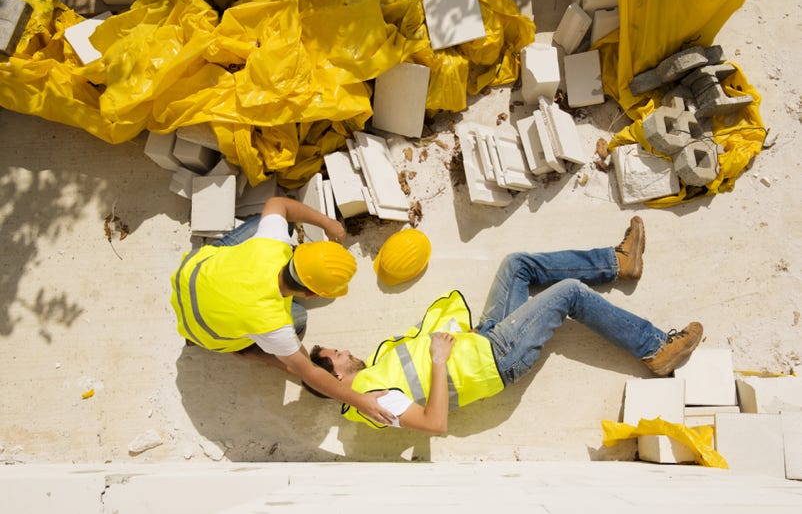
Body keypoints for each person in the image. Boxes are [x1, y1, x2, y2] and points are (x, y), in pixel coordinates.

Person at [308, 217, 703, 433]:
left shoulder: (372, 375)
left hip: (482, 339)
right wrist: (441, 359)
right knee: (569, 293)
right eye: (335, 356)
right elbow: (435, 424)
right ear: (335, 380)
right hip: (499, 357)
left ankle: (619, 263)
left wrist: (458, 339)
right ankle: (655, 348)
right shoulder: (373, 399)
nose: (344, 351)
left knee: (517, 265)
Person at [170, 195, 394, 425]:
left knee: (278, 220)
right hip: (202, 332)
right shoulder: (273, 324)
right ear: (312, 294)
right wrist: (359, 401)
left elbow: (279, 203)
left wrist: (327, 223)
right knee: (299, 318)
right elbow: (310, 372)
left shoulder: (273, 245)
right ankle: (246, 349)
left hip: (190, 276)